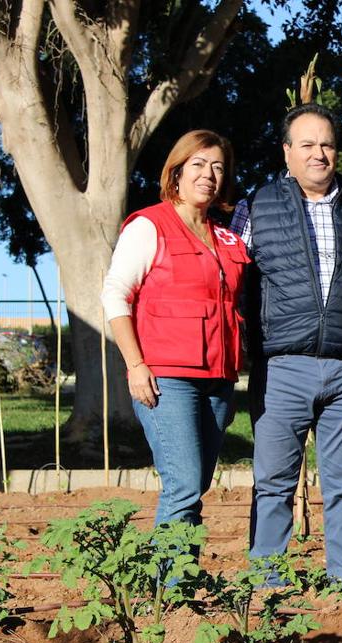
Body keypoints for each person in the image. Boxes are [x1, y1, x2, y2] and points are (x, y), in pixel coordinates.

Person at [230, 104, 342, 587]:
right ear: (287, 152)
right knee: (274, 483)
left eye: (327, 144)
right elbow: (237, 281)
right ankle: (269, 583)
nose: (319, 154)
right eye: (307, 144)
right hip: (282, 367)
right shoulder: (255, 206)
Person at [101, 129, 248, 528]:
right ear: (177, 172)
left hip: (217, 381)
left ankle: (179, 577)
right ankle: (171, 588)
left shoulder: (227, 238)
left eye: (218, 167)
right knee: (182, 485)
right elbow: (116, 295)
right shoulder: (149, 226)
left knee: (195, 483)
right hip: (167, 380)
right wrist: (136, 365)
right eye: (198, 164)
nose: (209, 174)